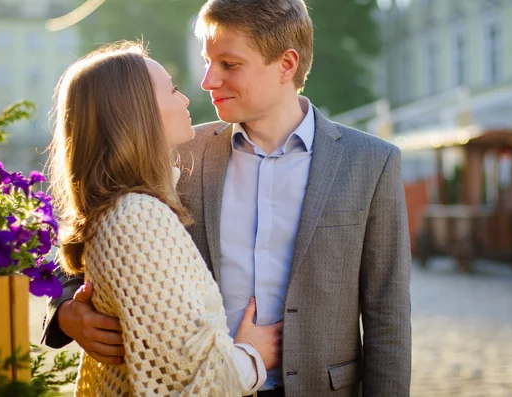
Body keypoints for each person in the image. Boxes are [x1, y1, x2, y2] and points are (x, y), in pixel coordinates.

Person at [44, 0, 412, 395]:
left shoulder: (371, 161)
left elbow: (387, 316)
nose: (207, 80)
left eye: (229, 64)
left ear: (286, 64)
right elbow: (92, 235)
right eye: (207, 60)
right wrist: (66, 314)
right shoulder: (175, 148)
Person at [45, 41, 277, 396]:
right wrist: (252, 354)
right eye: (172, 89)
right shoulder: (137, 215)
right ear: (137, 112)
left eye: (229, 63)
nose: (189, 97)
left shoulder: (122, 205)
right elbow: (184, 381)